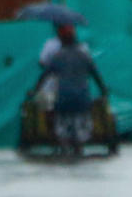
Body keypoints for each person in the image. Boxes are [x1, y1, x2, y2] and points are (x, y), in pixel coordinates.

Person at [34, 26, 108, 157]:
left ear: (61, 40)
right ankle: (79, 147)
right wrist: (103, 91)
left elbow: (44, 75)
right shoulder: (84, 55)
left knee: (60, 124)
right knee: (82, 125)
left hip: (63, 100)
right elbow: (96, 75)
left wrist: (35, 91)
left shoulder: (57, 56)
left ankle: (63, 147)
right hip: (82, 100)